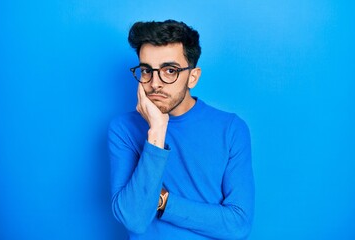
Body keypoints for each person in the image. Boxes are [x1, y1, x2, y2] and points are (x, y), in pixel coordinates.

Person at [108, 19, 255, 240]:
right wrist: (157, 131)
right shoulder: (123, 130)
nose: (155, 83)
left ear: (192, 77)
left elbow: (238, 225)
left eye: (169, 70)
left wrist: (165, 203)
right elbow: (135, 219)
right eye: (146, 70)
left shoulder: (231, 129)